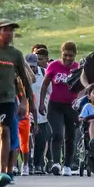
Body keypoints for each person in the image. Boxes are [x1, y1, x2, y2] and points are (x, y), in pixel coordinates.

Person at [0, 19, 33, 187]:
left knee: (5, 132)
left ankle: (4, 172)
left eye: (11, 30)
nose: (9, 33)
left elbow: (24, 79)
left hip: (7, 100)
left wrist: (25, 101)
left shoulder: (16, 54)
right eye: (5, 30)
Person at [39, 41, 80, 176]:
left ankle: (67, 164)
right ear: (61, 53)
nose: (68, 58)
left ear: (75, 56)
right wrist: (41, 103)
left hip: (71, 106)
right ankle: (56, 162)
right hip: (55, 104)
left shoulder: (78, 68)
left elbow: (84, 87)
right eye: (65, 55)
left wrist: (79, 101)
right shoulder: (53, 66)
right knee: (57, 134)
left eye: (71, 56)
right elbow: (45, 84)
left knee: (70, 135)